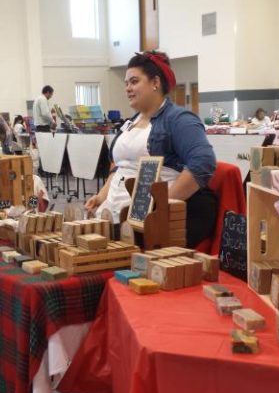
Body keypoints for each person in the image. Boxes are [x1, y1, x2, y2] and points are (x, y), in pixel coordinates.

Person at [84, 51, 218, 247]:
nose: (128, 88)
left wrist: (160, 207)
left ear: (155, 82)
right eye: (126, 83)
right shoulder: (130, 122)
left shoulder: (179, 119)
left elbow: (203, 163)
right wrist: (102, 195)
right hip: (112, 214)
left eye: (134, 81)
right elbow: (120, 166)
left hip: (145, 222)